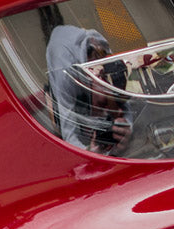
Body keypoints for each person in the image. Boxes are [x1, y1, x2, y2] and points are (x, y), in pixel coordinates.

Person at [46, 25, 132, 154]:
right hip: (62, 62)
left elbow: (124, 104)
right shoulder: (64, 76)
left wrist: (128, 129)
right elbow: (69, 135)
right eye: (102, 103)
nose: (104, 114)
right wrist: (91, 151)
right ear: (98, 77)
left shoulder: (105, 58)